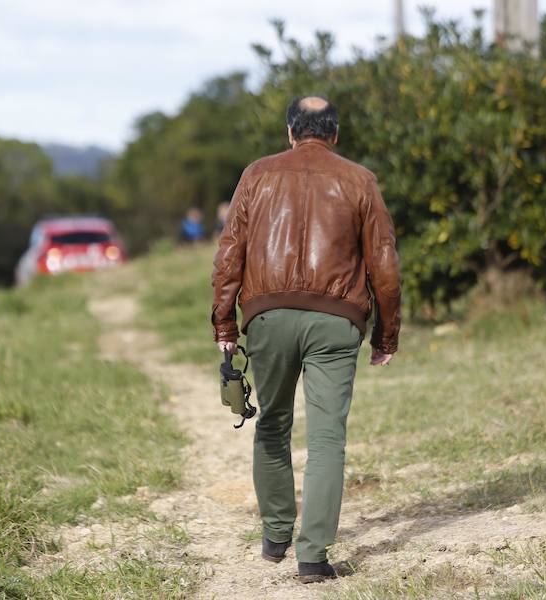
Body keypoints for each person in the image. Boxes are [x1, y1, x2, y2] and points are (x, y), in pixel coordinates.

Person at [211, 96, 401, 584]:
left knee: (272, 424)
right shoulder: (360, 180)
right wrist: (386, 334)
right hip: (337, 321)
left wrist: (225, 326)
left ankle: (276, 535)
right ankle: (312, 557)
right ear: (334, 134)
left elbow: (230, 251)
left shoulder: (257, 173)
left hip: (268, 315)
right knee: (327, 438)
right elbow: (384, 264)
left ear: (290, 132)